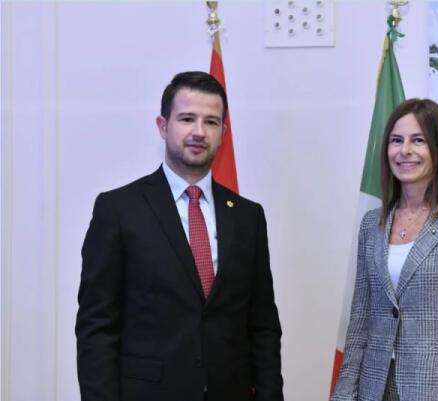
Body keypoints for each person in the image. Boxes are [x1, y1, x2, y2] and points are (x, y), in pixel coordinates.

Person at [76, 71, 283, 401]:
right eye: (187, 119)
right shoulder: (118, 210)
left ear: (223, 132)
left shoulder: (248, 216)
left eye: (211, 122)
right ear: (163, 126)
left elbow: (263, 325)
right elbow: (96, 327)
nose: (199, 131)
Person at [331, 98, 438, 401]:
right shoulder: (372, 224)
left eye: (418, 140)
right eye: (396, 140)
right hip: (376, 389)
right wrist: (343, 395)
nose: (405, 151)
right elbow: (359, 322)